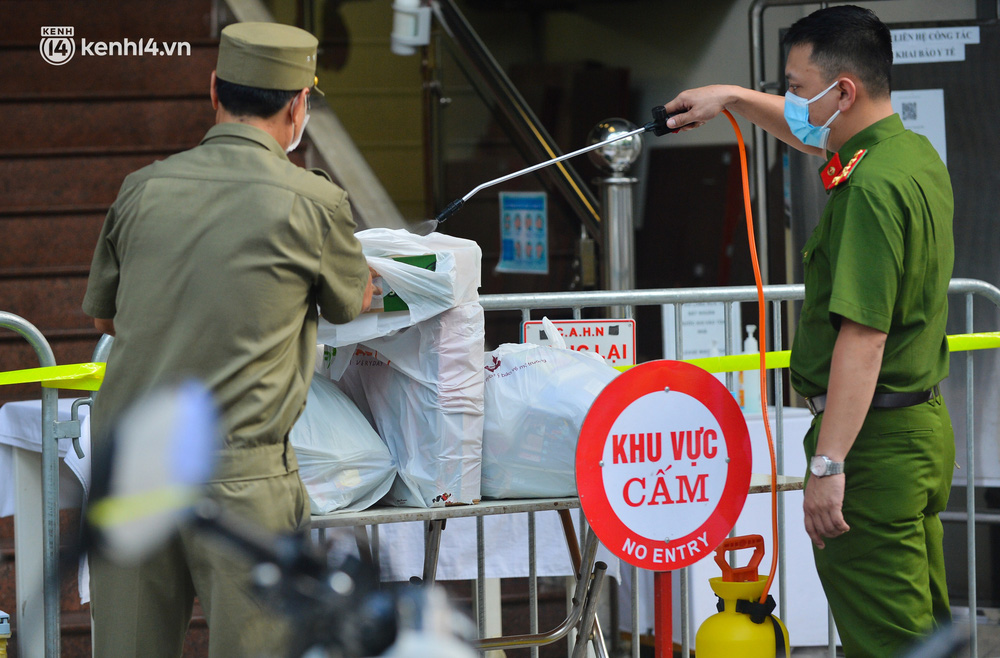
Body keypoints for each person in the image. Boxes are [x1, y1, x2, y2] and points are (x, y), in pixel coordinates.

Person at [662, 6, 954, 656]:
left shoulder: (869, 191)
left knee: (890, 643)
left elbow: (863, 337)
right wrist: (734, 97)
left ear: (842, 90)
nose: (792, 101)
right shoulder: (907, 155)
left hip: (871, 445)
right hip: (918, 433)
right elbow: (807, 135)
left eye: (797, 88)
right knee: (924, 634)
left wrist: (828, 463)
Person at [82, 21, 376, 656]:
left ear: (213, 89)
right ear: (299, 105)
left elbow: (107, 319)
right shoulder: (313, 201)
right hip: (240, 479)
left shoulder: (142, 189)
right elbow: (350, 304)